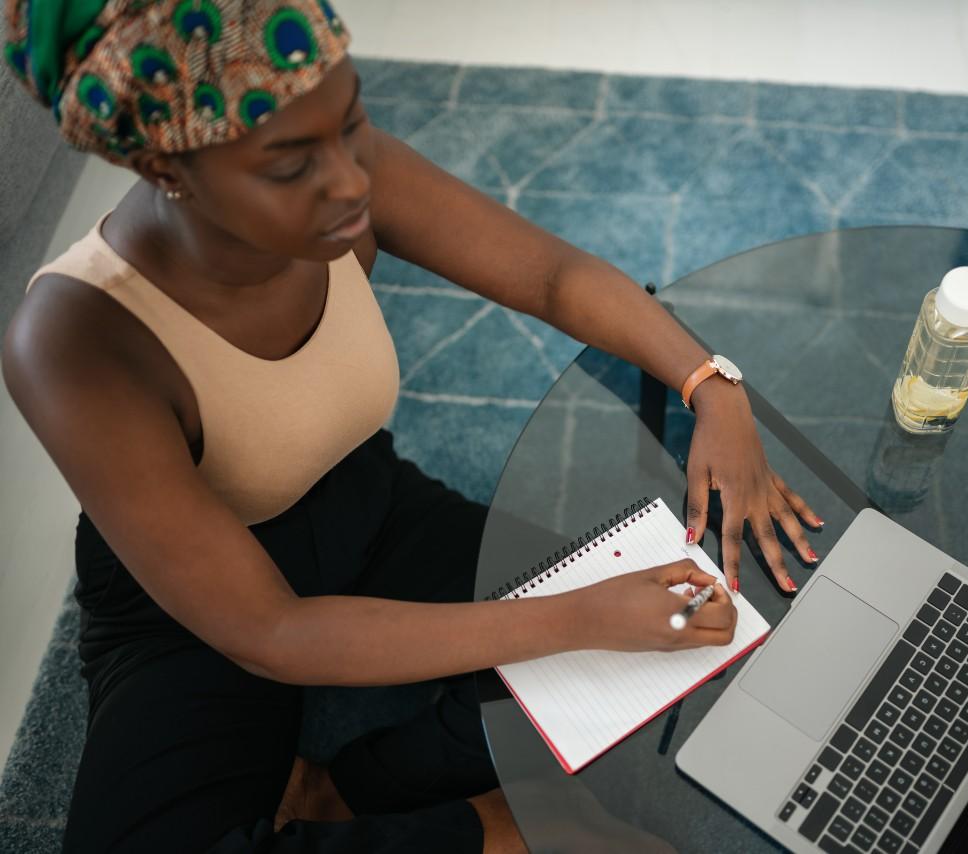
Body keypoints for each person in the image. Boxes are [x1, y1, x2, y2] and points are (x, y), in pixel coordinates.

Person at [2, 2, 824, 851]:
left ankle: (350, 790)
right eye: (289, 167)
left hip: (371, 504)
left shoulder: (351, 172)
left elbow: (551, 274)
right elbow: (271, 631)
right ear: (165, 168)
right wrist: (573, 616)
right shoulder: (71, 339)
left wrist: (712, 386)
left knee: (665, 633)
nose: (352, 180)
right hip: (190, 614)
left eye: (351, 121)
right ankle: (495, 829)